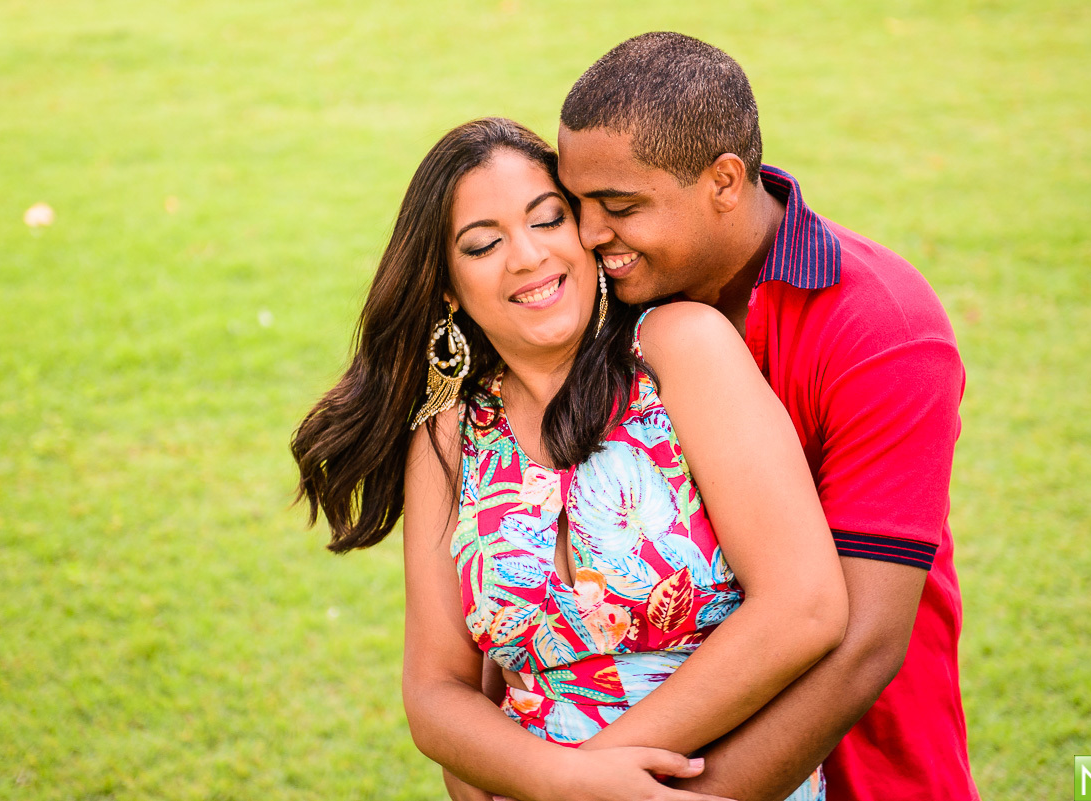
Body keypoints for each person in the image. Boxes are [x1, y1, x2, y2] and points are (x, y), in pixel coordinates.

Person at [291, 117, 851, 801]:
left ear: (585, 231)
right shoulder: (446, 439)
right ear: (446, 286)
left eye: (547, 219)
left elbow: (806, 606)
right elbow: (436, 691)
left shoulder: (680, 351)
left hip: (718, 777)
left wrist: (583, 779)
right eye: (483, 243)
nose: (525, 256)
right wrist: (559, 778)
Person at [540, 32, 978, 801]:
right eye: (576, 204)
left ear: (724, 181)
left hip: (859, 768)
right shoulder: (604, 304)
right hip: (620, 751)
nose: (586, 234)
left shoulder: (882, 328)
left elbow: (864, 642)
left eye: (619, 206)